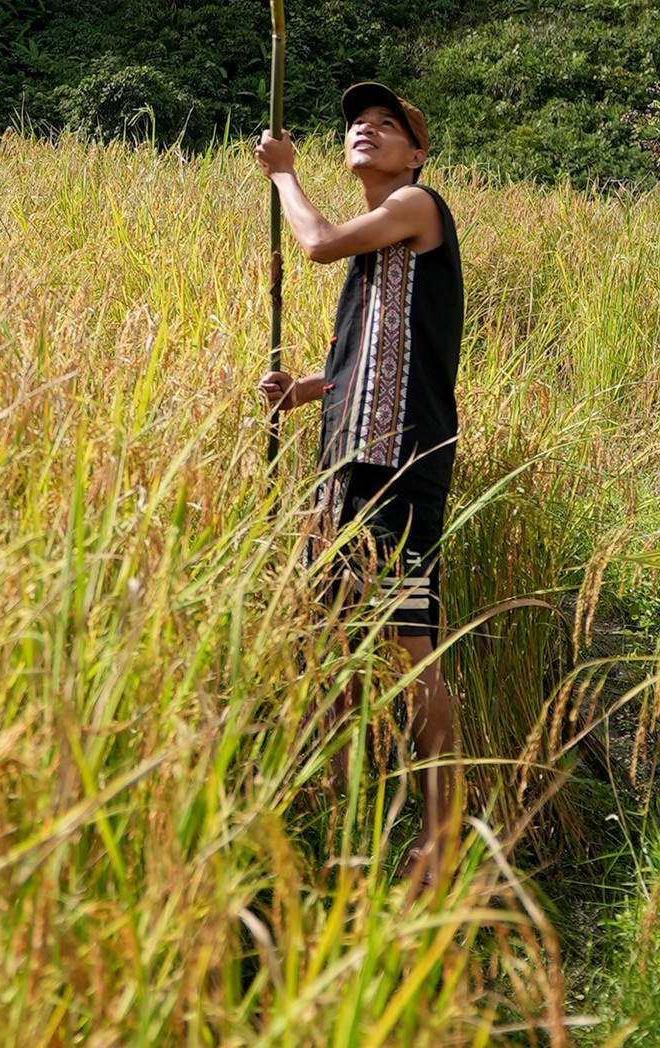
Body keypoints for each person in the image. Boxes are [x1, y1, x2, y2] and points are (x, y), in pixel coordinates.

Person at [259, 80, 464, 886]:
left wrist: (283, 173)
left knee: (411, 650)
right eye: (357, 125)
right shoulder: (379, 254)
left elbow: (314, 243)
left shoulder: (419, 206)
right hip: (344, 459)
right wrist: (308, 389)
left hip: (398, 463)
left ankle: (441, 839)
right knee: (326, 638)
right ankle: (335, 819)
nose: (366, 132)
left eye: (388, 127)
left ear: (416, 156)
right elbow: (370, 355)